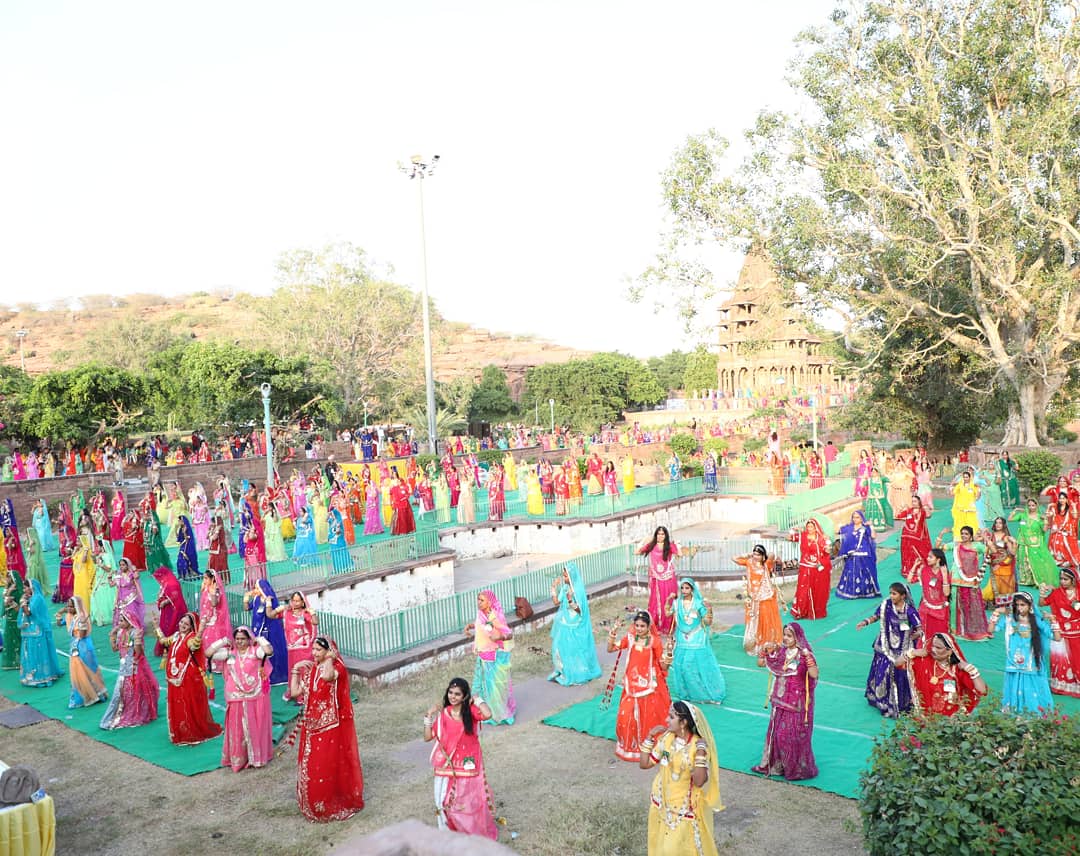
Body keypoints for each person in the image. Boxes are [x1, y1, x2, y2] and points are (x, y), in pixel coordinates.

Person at [289, 637, 365, 821]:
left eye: (318, 650)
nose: (314, 653)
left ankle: (327, 802)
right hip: (311, 724)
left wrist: (330, 658)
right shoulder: (311, 668)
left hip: (329, 725)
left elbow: (327, 677)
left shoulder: (337, 668)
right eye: (313, 650)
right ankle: (312, 802)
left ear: (328, 651)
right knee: (311, 764)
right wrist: (295, 670)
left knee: (325, 764)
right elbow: (295, 693)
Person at [639, 701, 723, 856]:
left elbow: (699, 781)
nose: (666, 720)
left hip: (682, 808)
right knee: (660, 846)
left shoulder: (697, 746)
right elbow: (644, 764)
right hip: (661, 801)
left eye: (671, 717)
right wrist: (650, 737)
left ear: (683, 723)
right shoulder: (666, 739)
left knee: (676, 849)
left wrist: (700, 754)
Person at [423, 677, 497, 839]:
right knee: (442, 800)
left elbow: (488, 714)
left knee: (466, 801)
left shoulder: (470, 711)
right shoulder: (444, 715)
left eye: (457, 694)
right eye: (450, 692)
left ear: (464, 696)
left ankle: (470, 832)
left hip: (467, 763)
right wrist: (428, 716)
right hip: (446, 764)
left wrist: (477, 700)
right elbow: (428, 737)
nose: (452, 696)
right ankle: (448, 834)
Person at [753, 622, 818, 781]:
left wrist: (808, 658)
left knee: (791, 735)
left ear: (797, 637)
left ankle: (796, 768)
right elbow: (761, 663)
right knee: (778, 735)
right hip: (780, 700)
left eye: (790, 636)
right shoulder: (781, 652)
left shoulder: (804, 654)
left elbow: (814, 674)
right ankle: (778, 765)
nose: (786, 638)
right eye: (785, 635)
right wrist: (763, 650)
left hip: (797, 703)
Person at [607, 610, 672, 762]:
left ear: (649, 626)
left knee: (649, 716)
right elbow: (610, 649)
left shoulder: (655, 642)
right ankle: (629, 746)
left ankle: (649, 746)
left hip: (649, 685)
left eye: (642, 626)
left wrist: (668, 656)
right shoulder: (629, 638)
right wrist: (612, 633)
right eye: (636, 625)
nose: (639, 629)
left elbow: (663, 666)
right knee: (626, 713)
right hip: (631, 685)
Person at [208, 626, 274, 772]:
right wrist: (222, 641)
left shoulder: (255, 651)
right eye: (237, 639)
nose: (239, 642)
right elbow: (208, 653)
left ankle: (256, 757)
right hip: (236, 696)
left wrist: (260, 639)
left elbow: (269, 652)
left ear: (249, 639)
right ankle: (239, 758)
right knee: (237, 727)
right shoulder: (229, 654)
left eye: (243, 639)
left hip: (255, 695)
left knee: (255, 724)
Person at [154, 611, 222, 744]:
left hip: (188, 678)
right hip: (174, 678)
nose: (182, 625)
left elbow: (195, 645)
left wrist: (201, 630)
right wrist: (157, 626)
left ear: (191, 626)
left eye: (186, 623)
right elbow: (163, 641)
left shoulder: (191, 638)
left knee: (188, 704)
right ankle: (180, 731)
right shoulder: (176, 636)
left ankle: (192, 732)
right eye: (181, 622)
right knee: (177, 704)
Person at [857, 583, 921, 718]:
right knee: (882, 671)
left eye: (894, 594)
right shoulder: (885, 605)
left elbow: (919, 629)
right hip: (885, 645)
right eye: (890, 593)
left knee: (899, 674)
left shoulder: (910, 611)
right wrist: (865, 622)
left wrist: (912, 636)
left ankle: (900, 704)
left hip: (902, 648)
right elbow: (876, 617)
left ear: (903, 596)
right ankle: (882, 701)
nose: (891, 596)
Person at [989, 592, 1053, 714]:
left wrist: (1053, 621)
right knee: (1013, 685)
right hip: (1013, 660)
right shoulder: (1009, 619)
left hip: (1030, 662)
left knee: (1030, 688)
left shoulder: (1036, 620)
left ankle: (1031, 713)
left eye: (1023, 605)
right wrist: (997, 612)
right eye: (1017, 605)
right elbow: (991, 630)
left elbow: (1053, 635)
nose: (1019, 608)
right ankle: (1013, 711)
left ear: (1030, 606)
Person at [666, 578, 726, 704]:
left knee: (692, 666)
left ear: (692, 589)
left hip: (697, 637)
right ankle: (686, 693)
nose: (684, 590)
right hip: (682, 638)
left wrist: (709, 609)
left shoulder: (699, 603)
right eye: (682, 588)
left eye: (687, 588)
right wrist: (668, 600)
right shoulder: (677, 604)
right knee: (680, 666)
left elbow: (707, 622)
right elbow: (667, 613)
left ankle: (702, 693)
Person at [99, 607, 160, 729]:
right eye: (119, 620)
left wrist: (137, 641)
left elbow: (138, 653)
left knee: (136, 693)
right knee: (118, 694)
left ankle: (140, 712)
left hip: (134, 669)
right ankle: (107, 721)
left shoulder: (133, 633)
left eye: (122, 620)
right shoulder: (121, 633)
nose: (119, 623)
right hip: (123, 669)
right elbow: (115, 649)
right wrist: (112, 636)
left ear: (129, 621)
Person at [464, 590, 516, 725]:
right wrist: (472, 626)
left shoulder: (495, 616)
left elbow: (508, 633)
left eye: (482, 600)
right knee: (482, 683)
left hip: (495, 655)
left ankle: (497, 712)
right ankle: (483, 710)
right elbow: (484, 627)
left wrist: (500, 637)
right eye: (478, 599)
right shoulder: (481, 614)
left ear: (489, 602)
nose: (479, 603)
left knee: (494, 685)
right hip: (483, 653)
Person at [909, 632, 988, 716]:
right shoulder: (924, 661)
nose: (933, 650)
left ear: (949, 651)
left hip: (950, 722)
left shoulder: (957, 669)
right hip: (926, 719)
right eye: (933, 646)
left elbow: (982, 691)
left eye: (938, 648)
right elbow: (899, 664)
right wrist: (911, 653)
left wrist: (972, 670)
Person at [548, 564, 602, 685]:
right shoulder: (565, 588)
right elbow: (556, 602)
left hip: (576, 624)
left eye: (566, 576)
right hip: (564, 622)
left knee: (574, 649)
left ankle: (578, 672)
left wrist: (571, 601)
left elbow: (580, 611)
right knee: (559, 647)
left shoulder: (577, 590)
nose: (564, 578)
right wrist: (553, 588)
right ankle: (564, 670)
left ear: (571, 576)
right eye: (563, 576)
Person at [58, 596, 108, 708]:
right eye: (68, 606)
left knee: (89, 669)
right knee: (77, 673)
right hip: (75, 646)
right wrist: (59, 614)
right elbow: (60, 623)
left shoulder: (81, 617)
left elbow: (82, 635)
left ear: (77, 606)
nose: (69, 608)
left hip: (84, 647)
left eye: (71, 606)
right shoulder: (70, 616)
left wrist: (81, 624)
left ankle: (97, 695)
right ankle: (83, 696)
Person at [944, 527, 991, 642]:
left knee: (971, 605)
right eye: (962, 533)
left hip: (971, 580)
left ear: (971, 536)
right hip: (956, 579)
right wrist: (941, 536)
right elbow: (940, 548)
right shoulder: (956, 545)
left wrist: (985, 539)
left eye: (966, 534)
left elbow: (992, 551)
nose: (963, 536)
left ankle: (971, 629)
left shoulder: (977, 546)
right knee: (955, 604)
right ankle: (955, 629)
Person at [1039, 568, 1080, 698]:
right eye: (1061, 579)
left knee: (1076, 657)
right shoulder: (1057, 593)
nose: (1062, 582)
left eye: (1066, 579)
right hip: (1059, 629)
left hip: (1076, 629)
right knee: (1060, 657)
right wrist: (1042, 593)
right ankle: (1061, 685)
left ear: (1073, 580)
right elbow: (1042, 603)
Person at [735, 545, 783, 654]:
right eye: (755, 554)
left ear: (763, 556)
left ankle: (767, 642)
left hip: (766, 597)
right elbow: (734, 558)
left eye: (758, 554)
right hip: (752, 597)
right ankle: (754, 642)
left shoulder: (766, 565)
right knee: (753, 619)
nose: (756, 556)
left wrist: (766, 557)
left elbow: (771, 554)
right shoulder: (749, 562)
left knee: (766, 618)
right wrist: (748, 555)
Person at [18, 580, 62, 687]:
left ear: (32, 588)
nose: (24, 590)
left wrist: (23, 602)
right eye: (23, 588)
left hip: (38, 630)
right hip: (30, 630)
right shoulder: (31, 598)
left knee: (38, 652)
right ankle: (33, 674)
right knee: (30, 651)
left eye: (26, 588)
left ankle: (42, 676)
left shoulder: (37, 599)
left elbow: (29, 612)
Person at [638, 527, 679, 636]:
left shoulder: (669, 546)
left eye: (663, 534)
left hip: (668, 577)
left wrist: (676, 545)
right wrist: (643, 541)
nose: (660, 536)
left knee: (668, 601)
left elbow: (680, 554)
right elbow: (637, 552)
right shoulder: (651, 546)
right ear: (656, 535)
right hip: (656, 579)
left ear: (666, 535)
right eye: (658, 534)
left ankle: (668, 626)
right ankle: (656, 625)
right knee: (656, 602)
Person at [1010, 498, 1058, 588]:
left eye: (1033, 505)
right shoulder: (1022, 515)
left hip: (1035, 543)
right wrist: (1015, 510)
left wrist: (1045, 520)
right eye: (1029, 505)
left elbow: (1044, 530)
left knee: (1036, 561)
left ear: (1036, 506)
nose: (1031, 507)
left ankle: (1038, 579)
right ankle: (1026, 580)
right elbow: (1010, 519)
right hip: (1023, 542)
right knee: (1023, 560)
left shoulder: (1040, 517)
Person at [791, 519, 832, 620]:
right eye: (808, 527)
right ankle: (801, 611)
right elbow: (790, 537)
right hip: (805, 567)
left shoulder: (821, 538)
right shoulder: (803, 536)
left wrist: (828, 547)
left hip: (816, 568)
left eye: (811, 527)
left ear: (816, 527)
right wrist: (794, 530)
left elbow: (826, 552)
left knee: (816, 589)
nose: (809, 529)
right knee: (803, 588)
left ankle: (815, 610)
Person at [282, 592, 318, 701]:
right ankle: (293, 690)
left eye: (298, 601)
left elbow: (315, 622)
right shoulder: (286, 613)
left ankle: (303, 694)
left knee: (303, 670)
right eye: (293, 600)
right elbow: (270, 614)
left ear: (303, 602)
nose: (295, 603)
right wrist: (270, 603)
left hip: (304, 648)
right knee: (293, 670)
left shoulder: (305, 613)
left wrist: (313, 613)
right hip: (292, 648)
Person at [908, 547, 951, 639]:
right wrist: (915, 566)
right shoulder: (924, 570)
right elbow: (910, 580)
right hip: (925, 608)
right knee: (922, 635)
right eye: (928, 556)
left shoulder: (944, 573)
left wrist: (944, 576)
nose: (927, 558)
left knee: (938, 637)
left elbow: (946, 593)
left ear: (938, 559)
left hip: (939, 611)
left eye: (930, 557)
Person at [835, 511, 880, 599]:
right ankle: (851, 591)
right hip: (852, 553)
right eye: (854, 517)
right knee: (851, 570)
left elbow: (873, 536)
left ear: (862, 518)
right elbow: (838, 531)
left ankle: (864, 591)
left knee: (864, 571)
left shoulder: (865, 528)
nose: (855, 519)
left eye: (857, 517)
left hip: (863, 553)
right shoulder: (849, 528)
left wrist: (871, 526)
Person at [199, 569, 232, 674]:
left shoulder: (216, 589)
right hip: (207, 618)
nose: (204, 580)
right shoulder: (206, 588)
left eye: (206, 578)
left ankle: (217, 664)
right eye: (203, 578)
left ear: (213, 579)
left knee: (212, 639)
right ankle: (209, 662)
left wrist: (213, 593)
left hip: (215, 619)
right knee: (205, 638)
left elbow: (214, 603)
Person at [152, 566, 188, 657]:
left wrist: (165, 601)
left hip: (174, 609)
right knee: (166, 626)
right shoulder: (166, 582)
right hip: (168, 609)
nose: (159, 580)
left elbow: (175, 596)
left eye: (159, 577)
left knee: (173, 626)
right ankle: (167, 647)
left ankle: (174, 647)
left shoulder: (172, 583)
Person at [981, 517, 1018, 606]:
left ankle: (1004, 602)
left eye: (1000, 523)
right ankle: (993, 601)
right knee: (993, 584)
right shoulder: (991, 535)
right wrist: (983, 533)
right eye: (996, 522)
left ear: (1003, 525)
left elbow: (1012, 553)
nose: (998, 524)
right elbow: (977, 540)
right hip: (994, 563)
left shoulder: (1006, 538)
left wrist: (1015, 543)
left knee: (1005, 584)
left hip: (1005, 563)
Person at [896, 496, 932, 584]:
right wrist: (901, 509)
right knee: (907, 552)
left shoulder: (922, 511)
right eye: (912, 501)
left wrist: (927, 508)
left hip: (919, 537)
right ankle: (908, 569)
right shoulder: (909, 511)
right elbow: (898, 516)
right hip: (906, 536)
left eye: (915, 501)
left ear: (919, 502)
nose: (913, 503)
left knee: (919, 553)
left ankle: (919, 568)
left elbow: (929, 515)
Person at [1046, 493, 1080, 567]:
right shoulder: (1055, 508)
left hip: (1067, 531)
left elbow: (1075, 516)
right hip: (1057, 531)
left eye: (1063, 498)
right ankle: (1059, 560)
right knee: (1056, 542)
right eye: (1060, 498)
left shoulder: (1070, 508)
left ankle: (1067, 560)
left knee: (1065, 543)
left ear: (1067, 499)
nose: (1061, 500)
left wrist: (1074, 506)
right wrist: (1048, 507)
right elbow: (1048, 515)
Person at [2, 568, 23, 670]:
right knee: (9, 640)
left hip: (16, 618)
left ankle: (21, 661)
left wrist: (11, 602)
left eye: (9, 577)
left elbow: (20, 608)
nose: (7, 579)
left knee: (18, 640)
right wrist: (8, 592)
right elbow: (4, 604)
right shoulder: (7, 589)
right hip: (9, 618)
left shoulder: (19, 590)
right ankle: (11, 662)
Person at [950, 470, 980, 540]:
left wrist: (977, 494)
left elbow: (978, 496)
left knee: (971, 522)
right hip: (960, 508)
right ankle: (959, 537)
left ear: (970, 478)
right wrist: (951, 488)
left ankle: (972, 537)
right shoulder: (959, 485)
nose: (965, 479)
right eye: (964, 477)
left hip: (970, 508)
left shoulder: (974, 485)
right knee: (960, 522)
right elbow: (953, 493)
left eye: (967, 477)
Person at [863, 467, 893, 531]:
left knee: (879, 512)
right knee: (870, 512)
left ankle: (880, 526)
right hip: (871, 499)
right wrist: (864, 478)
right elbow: (863, 485)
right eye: (872, 472)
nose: (873, 473)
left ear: (877, 472)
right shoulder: (869, 480)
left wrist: (881, 474)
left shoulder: (881, 479)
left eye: (875, 472)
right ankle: (870, 526)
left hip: (879, 499)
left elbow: (888, 480)